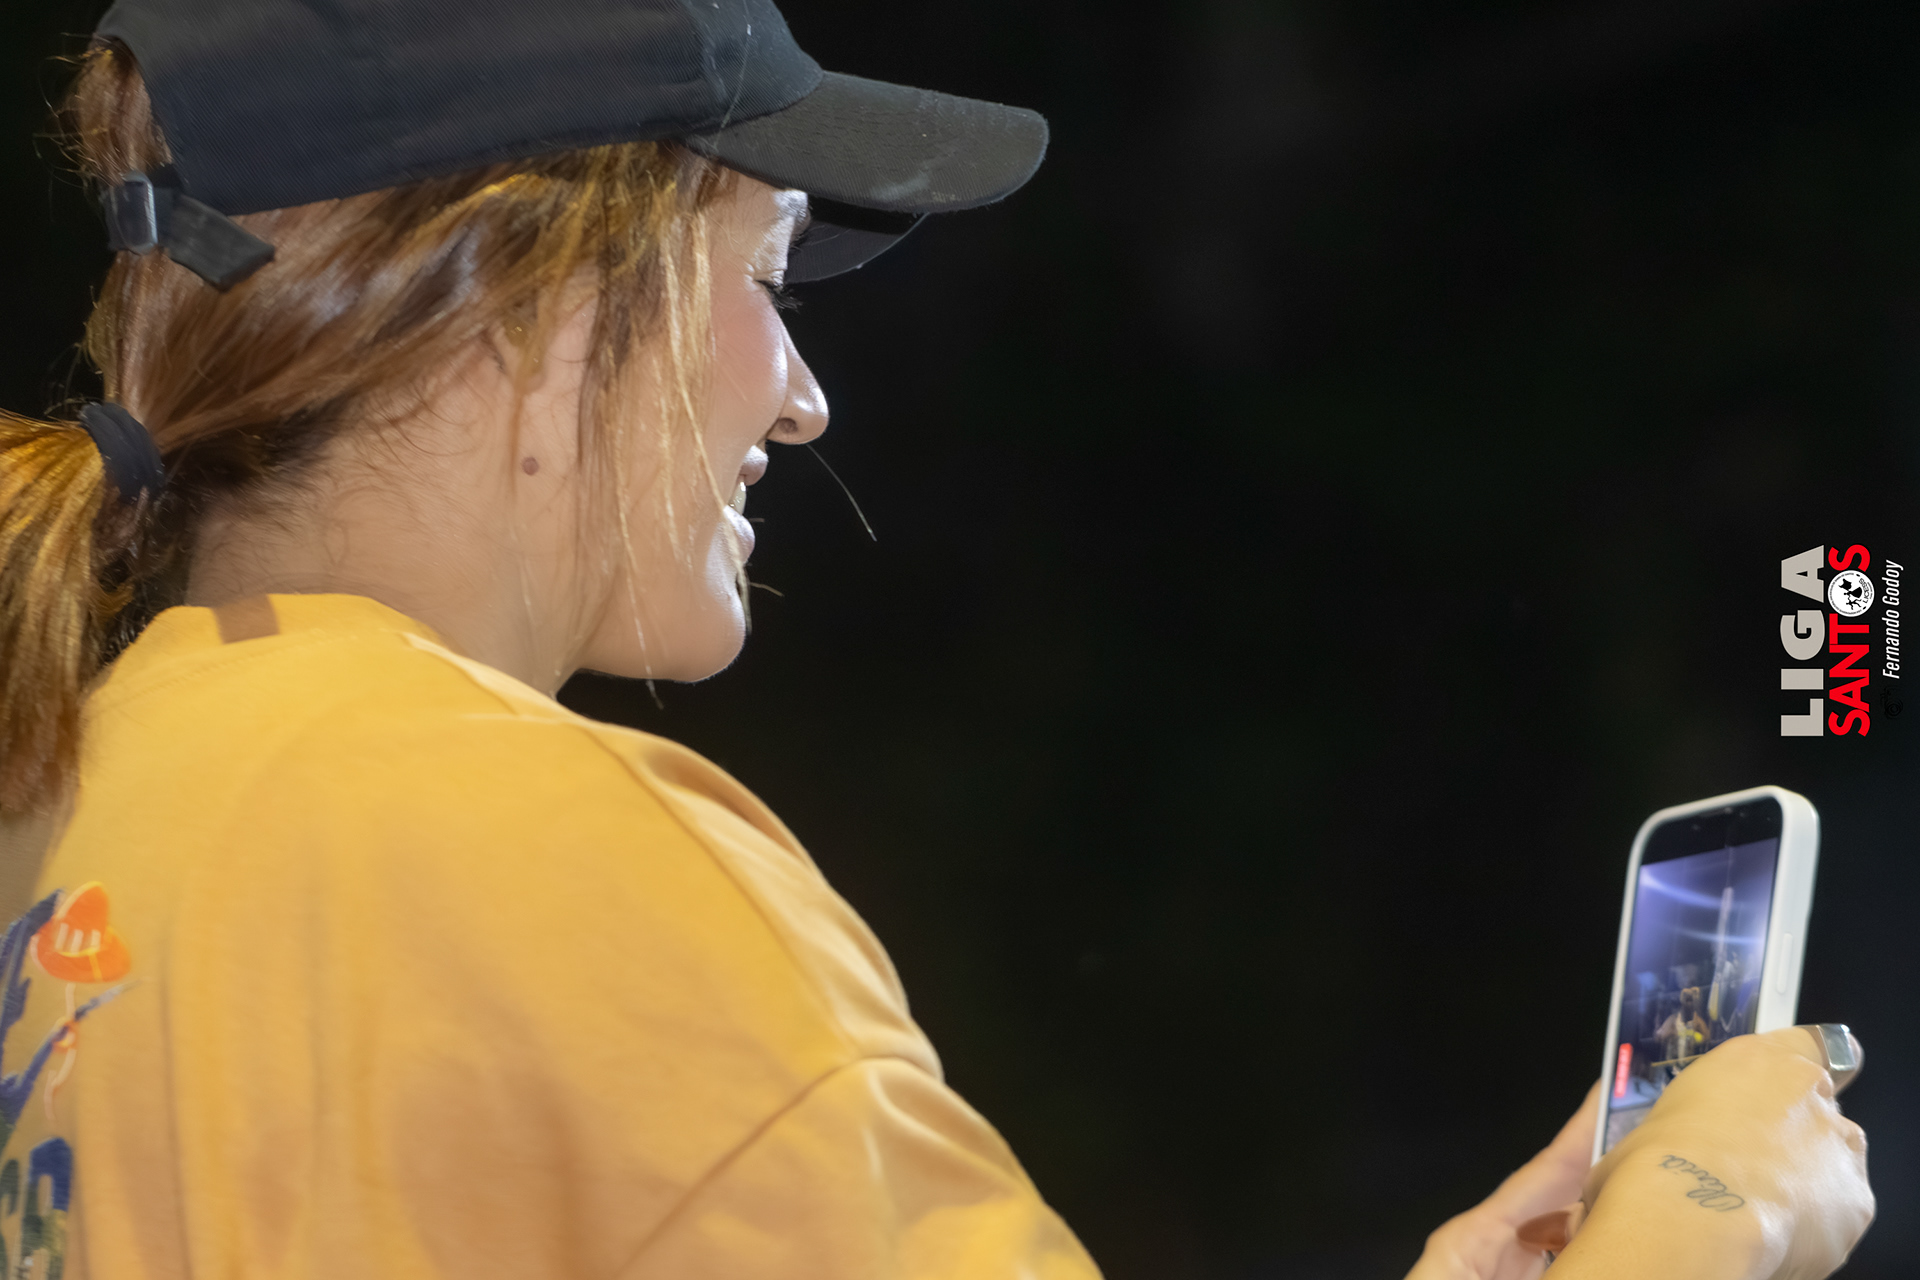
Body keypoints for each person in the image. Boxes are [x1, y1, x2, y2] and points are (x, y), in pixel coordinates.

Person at [0, 1, 1872, 1276]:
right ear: (538, 301)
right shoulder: (542, 852)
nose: (804, 396)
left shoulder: (77, 805)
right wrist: (1699, 1227)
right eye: (768, 273)